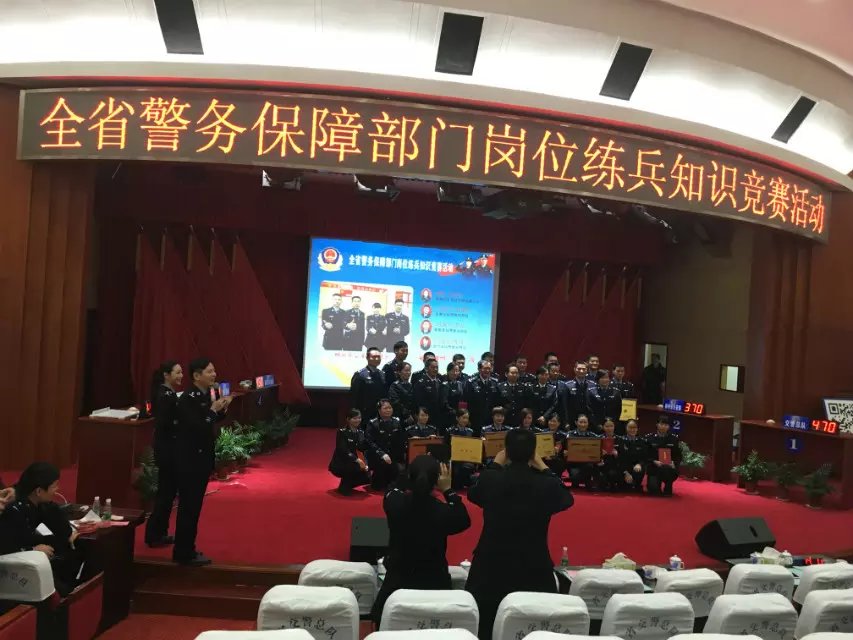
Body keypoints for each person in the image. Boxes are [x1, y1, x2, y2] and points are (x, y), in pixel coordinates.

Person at [466, 430, 574, 640]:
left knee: (485, 625)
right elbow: (566, 499)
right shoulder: (546, 483)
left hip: (490, 566)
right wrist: (545, 468)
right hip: (534, 565)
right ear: (534, 453)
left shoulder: (491, 479)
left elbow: (473, 494)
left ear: (505, 451)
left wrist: (495, 465)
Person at [371, 457, 471, 623]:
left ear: (410, 477)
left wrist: (409, 473)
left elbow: (392, 489)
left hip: (398, 581)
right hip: (435, 581)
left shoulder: (395, 503)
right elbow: (464, 519)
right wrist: (448, 490)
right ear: (437, 481)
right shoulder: (443, 512)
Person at [174, 358, 231, 566]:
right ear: (197, 376)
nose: (214, 374)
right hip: (191, 459)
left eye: (214, 370)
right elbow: (197, 427)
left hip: (201, 458)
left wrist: (221, 409)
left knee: (194, 506)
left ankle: (188, 548)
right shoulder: (188, 398)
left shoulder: (206, 394)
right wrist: (213, 410)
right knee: (189, 507)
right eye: (209, 371)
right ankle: (183, 552)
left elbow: (210, 421)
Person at [0, 463, 82, 596]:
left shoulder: (38, 504)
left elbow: (63, 531)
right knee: (62, 589)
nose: (58, 489)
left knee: (67, 550)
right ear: (38, 491)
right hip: (13, 565)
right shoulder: (13, 511)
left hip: (29, 553)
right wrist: (33, 550)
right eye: (54, 486)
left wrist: (69, 533)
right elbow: (6, 547)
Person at [144, 360, 183, 548]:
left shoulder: (167, 393)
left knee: (167, 493)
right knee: (165, 494)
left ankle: (159, 532)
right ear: (167, 375)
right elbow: (169, 424)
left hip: (167, 448)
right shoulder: (165, 396)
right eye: (177, 372)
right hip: (167, 449)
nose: (181, 376)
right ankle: (154, 534)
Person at [365, 399, 406, 490]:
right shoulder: (373, 423)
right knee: (378, 486)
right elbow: (370, 442)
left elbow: (401, 440)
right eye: (385, 408)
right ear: (379, 410)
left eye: (390, 408)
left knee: (397, 481)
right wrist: (382, 454)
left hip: (393, 455)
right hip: (378, 456)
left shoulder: (397, 421)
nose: (388, 410)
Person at [328, 409, 371, 494]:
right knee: (352, 467)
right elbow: (343, 450)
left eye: (359, 418)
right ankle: (345, 485)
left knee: (367, 476)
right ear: (348, 419)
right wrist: (357, 460)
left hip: (356, 461)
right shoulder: (342, 432)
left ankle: (347, 484)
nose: (357, 420)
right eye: (354, 418)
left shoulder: (361, 432)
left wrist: (365, 463)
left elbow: (362, 450)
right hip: (342, 462)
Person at [645, 415, 681, 496]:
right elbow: (646, 455)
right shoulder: (649, 438)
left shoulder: (674, 439)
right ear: (657, 425)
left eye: (666, 425)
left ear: (669, 426)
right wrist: (654, 461)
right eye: (661, 424)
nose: (663, 426)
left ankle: (668, 485)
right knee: (653, 490)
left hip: (668, 468)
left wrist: (674, 463)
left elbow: (678, 455)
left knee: (668, 471)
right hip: (654, 467)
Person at [565, 414, 601, 490]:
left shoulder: (593, 436)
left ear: (588, 423)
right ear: (576, 423)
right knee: (575, 477)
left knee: (590, 467)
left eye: (585, 422)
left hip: (588, 465)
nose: (583, 424)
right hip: (574, 465)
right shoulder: (569, 435)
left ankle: (588, 480)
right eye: (581, 422)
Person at [350, 347, 386, 421]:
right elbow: (354, 396)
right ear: (367, 358)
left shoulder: (382, 374)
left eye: (378, 357)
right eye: (374, 357)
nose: (377, 359)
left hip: (379, 412)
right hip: (364, 413)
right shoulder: (360, 375)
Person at [464, 359, 499, 435]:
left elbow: (497, 401)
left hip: (490, 419)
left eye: (489, 368)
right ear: (479, 369)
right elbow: (466, 401)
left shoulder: (495, 382)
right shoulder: (471, 383)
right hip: (475, 419)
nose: (487, 371)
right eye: (485, 368)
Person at [445, 408, 477, 489]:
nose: (465, 420)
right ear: (457, 418)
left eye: (467, 418)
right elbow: (446, 447)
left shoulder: (470, 431)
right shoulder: (450, 431)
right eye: (463, 418)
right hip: (453, 459)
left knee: (467, 467)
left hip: (466, 458)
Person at [617, 419, 648, 492]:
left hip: (635, 467)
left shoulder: (642, 441)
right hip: (623, 468)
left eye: (634, 428)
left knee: (639, 469)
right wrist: (626, 473)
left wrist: (639, 464)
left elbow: (644, 457)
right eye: (630, 427)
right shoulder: (620, 440)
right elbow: (619, 459)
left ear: (637, 429)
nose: (632, 430)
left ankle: (636, 484)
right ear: (626, 428)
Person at [559, 362, 591, 427]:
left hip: (589, 420)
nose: (581, 371)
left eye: (584, 369)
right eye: (579, 369)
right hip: (572, 420)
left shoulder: (592, 385)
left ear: (587, 370)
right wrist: (566, 422)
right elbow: (564, 405)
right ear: (574, 369)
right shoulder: (568, 385)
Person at [414, 358, 443, 430]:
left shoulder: (440, 381)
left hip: (438, 415)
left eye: (437, 367)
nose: (435, 369)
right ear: (426, 368)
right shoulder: (421, 383)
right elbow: (418, 401)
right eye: (433, 367)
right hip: (425, 416)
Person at [594, 419, 621, 491]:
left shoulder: (619, 439)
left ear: (614, 427)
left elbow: (624, 455)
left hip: (614, 465)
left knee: (613, 474)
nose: (609, 428)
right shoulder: (598, 438)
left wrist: (617, 454)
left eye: (611, 426)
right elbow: (593, 453)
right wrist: (599, 454)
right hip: (601, 464)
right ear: (603, 427)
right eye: (607, 426)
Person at [441, 363, 465, 430]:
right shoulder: (444, 385)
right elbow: (444, 402)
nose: (455, 373)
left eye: (457, 371)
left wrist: (462, 412)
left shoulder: (460, 384)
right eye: (453, 371)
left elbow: (462, 400)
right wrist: (455, 412)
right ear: (448, 371)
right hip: (448, 416)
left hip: (459, 417)